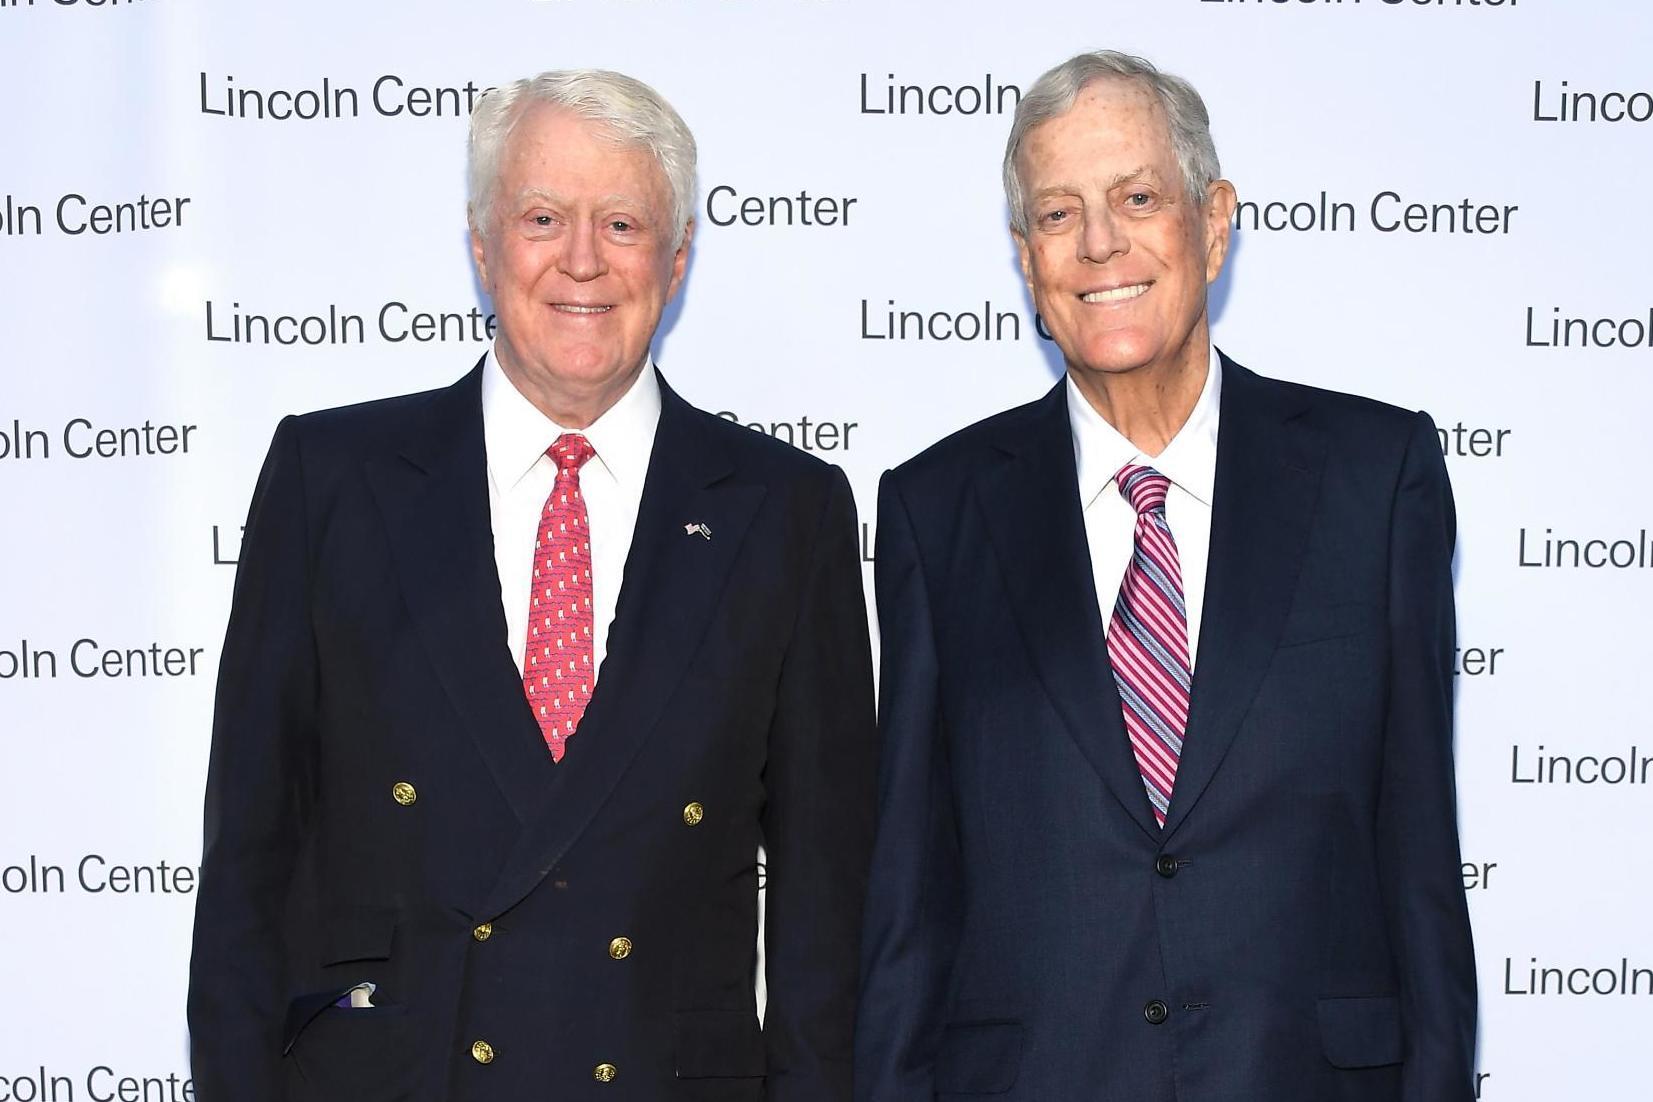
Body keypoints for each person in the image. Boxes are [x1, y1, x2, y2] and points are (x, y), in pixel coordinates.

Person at [188, 68, 876, 1101]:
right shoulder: (331, 480)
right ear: (481, 242)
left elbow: (829, 911)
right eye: (543, 217)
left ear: (679, 258)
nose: (583, 260)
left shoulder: (786, 511)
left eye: (624, 224)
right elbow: (248, 865)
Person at [855, 50, 1476, 1101]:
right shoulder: (937, 509)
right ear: (1025, 256)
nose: (1101, 243)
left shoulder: (1376, 480)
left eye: (1138, 197)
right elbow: (912, 899)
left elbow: (1419, 858)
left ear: (1214, 221)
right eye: (1059, 214)